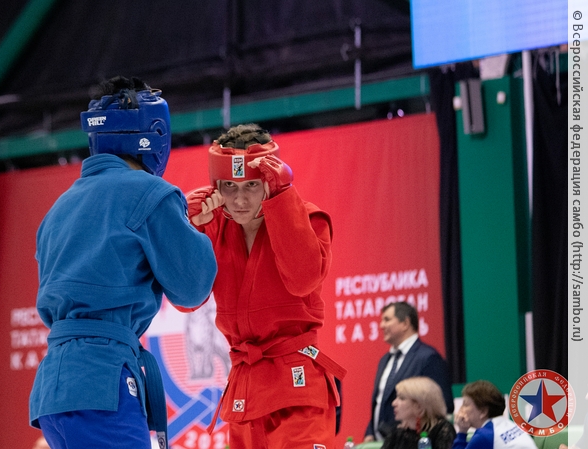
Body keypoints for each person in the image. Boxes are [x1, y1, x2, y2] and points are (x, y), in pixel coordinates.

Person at [28, 76, 218, 449]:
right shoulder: (150, 193)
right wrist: (194, 230)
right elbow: (192, 288)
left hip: (53, 391)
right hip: (104, 382)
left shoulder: (58, 209)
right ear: (153, 132)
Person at [185, 123, 346, 449]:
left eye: (251, 185)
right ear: (217, 186)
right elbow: (187, 299)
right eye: (229, 186)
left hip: (296, 386)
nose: (239, 199)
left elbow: (303, 280)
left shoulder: (308, 218)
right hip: (244, 391)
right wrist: (191, 231)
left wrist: (283, 198)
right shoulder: (213, 225)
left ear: (269, 182)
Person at [365, 302, 454, 442]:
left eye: (387, 320)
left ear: (405, 323)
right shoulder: (385, 360)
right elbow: (380, 401)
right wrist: (370, 432)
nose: (381, 325)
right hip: (381, 443)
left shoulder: (428, 357)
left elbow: (443, 405)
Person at [453, 380, 536, 449]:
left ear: (483, 412)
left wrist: (462, 432)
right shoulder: (509, 425)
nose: (460, 409)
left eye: (465, 404)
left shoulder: (484, 436)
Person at [382, 376, 455, 449]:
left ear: (419, 405)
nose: (394, 403)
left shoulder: (441, 429)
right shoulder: (398, 432)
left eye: (402, 398)